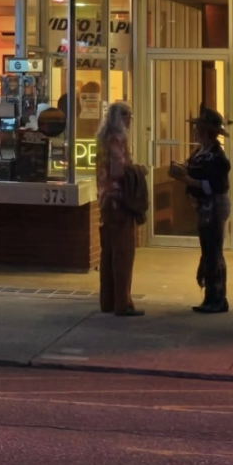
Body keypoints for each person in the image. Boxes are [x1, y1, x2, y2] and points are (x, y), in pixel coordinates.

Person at [170, 105, 231, 314]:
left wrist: (186, 178)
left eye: (198, 128)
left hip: (213, 207)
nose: (195, 131)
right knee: (208, 250)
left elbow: (213, 186)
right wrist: (182, 171)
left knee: (213, 251)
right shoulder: (200, 152)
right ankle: (211, 297)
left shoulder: (217, 158)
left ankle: (217, 297)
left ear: (206, 132)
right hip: (203, 207)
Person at [95, 101, 148, 316]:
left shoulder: (101, 139)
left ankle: (107, 300)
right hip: (120, 202)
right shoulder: (118, 139)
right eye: (127, 115)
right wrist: (137, 169)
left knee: (108, 253)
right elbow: (118, 170)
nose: (130, 119)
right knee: (123, 253)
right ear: (118, 117)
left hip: (105, 202)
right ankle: (122, 303)